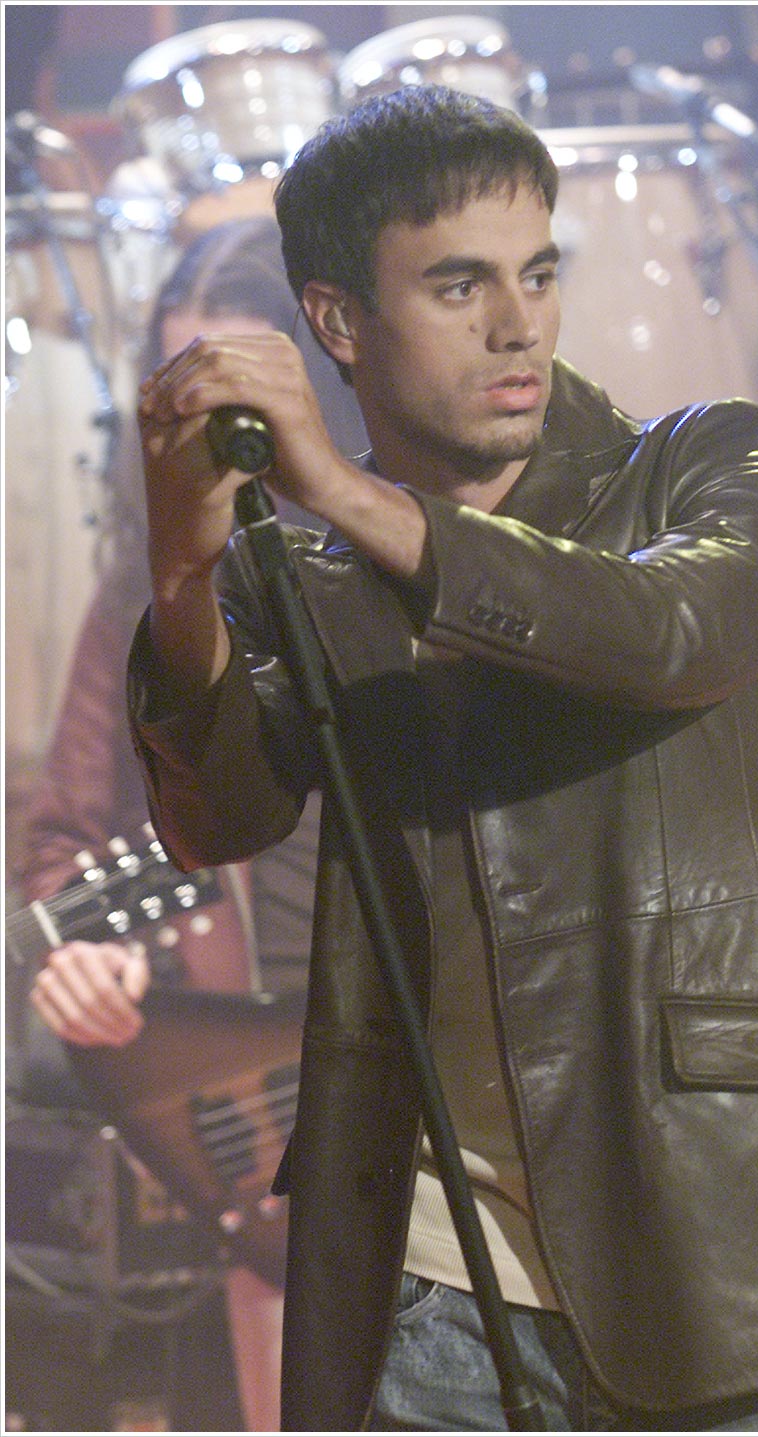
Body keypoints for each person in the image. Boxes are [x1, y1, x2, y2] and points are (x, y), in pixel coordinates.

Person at [126, 85, 758, 1432]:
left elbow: (667, 632)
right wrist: (179, 572)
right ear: (339, 321)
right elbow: (219, 816)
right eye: (460, 286)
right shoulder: (307, 580)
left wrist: (340, 490)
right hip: (430, 1282)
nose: (518, 324)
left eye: (538, 273)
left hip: (728, 1244)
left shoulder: (702, 467)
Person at [18, 216, 356, 1431]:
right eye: (175, 394)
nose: (201, 426)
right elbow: (61, 844)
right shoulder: (146, 584)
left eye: (232, 387)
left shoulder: (400, 551)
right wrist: (84, 955)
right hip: (240, 1097)